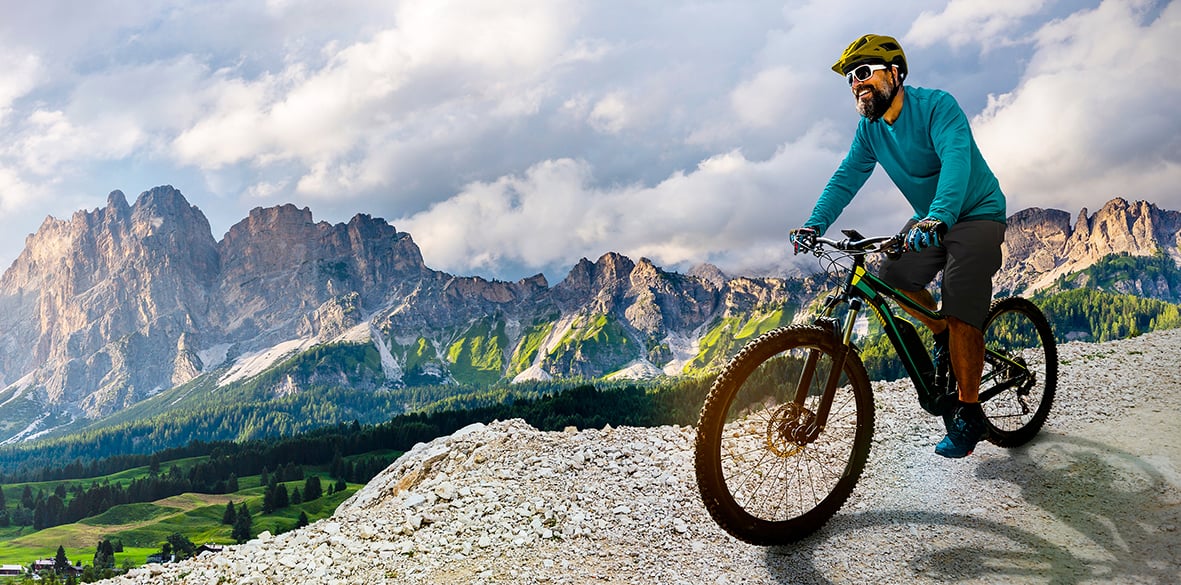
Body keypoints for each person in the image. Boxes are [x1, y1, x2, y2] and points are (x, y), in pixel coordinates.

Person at [789, 34, 1007, 458]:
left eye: (865, 72)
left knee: (961, 298)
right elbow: (847, 176)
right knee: (887, 275)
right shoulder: (870, 130)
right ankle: (942, 331)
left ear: (895, 72)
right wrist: (814, 224)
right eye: (852, 77)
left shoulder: (938, 107)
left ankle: (969, 410)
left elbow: (956, 160)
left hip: (975, 213)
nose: (857, 82)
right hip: (931, 219)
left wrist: (940, 216)